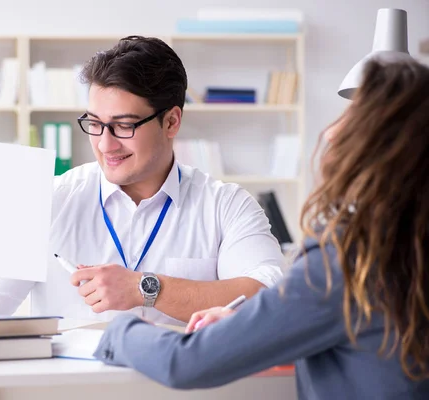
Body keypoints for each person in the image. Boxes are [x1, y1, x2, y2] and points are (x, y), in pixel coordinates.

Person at [0, 35, 284, 326]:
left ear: (171, 120)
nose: (105, 144)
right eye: (95, 124)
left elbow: (271, 295)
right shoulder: (46, 199)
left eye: (123, 126)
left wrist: (146, 288)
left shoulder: (225, 205)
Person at [92, 58, 429, 397]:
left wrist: (118, 329)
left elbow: (186, 362)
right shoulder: (407, 247)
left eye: (354, 116)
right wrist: (252, 328)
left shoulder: (345, 263)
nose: (331, 132)